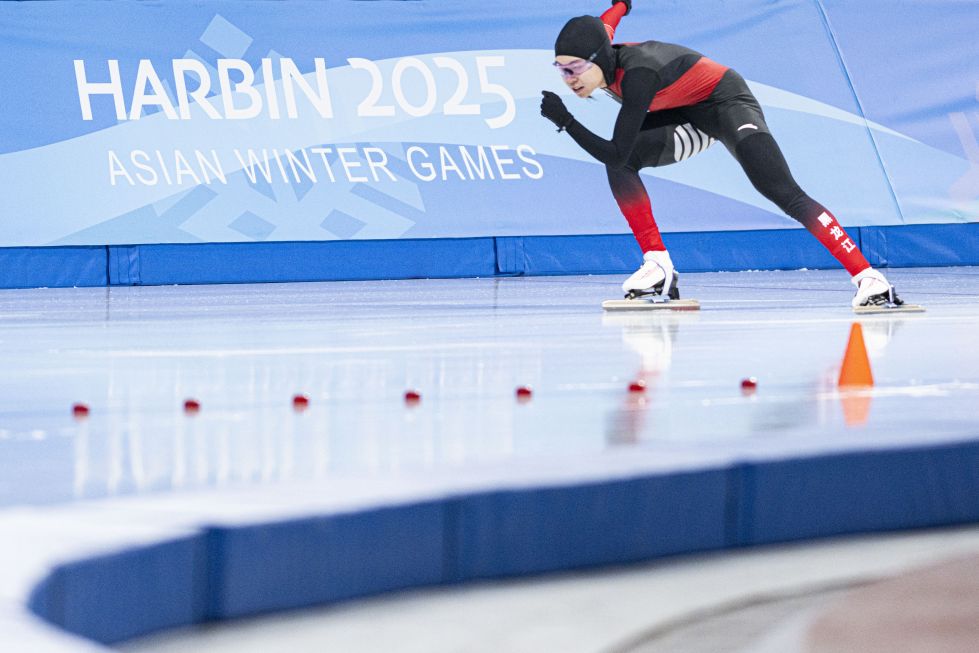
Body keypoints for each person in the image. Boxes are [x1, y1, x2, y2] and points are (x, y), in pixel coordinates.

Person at [540, 0, 904, 308]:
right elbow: (608, 22)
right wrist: (623, 3)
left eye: (575, 69)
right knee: (620, 166)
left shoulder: (639, 75)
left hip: (726, 104)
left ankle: (870, 279)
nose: (569, 79)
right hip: (684, 113)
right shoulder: (600, 45)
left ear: (600, 60)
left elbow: (616, 151)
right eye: (562, 70)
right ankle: (658, 266)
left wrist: (566, 121)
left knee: (782, 191)